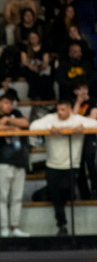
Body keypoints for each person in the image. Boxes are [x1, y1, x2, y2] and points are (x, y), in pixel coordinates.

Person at [29, 98, 97, 235]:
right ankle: (62, 224)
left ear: (70, 110)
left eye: (63, 110)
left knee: (67, 192)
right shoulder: (50, 119)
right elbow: (33, 126)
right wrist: (50, 128)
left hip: (72, 164)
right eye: (58, 109)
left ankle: (63, 221)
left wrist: (84, 128)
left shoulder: (78, 119)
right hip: (53, 164)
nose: (59, 113)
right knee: (56, 196)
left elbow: (95, 124)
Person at [0, 95, 31, 237]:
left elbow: (25, 123)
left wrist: (9, 120)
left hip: (19, 160)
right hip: (2, 161)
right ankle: (3, 227)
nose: (8, 106)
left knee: (17, 197)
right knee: (3, 198)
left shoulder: (15, 114)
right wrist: (11, 128)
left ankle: (14, 227)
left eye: (10, 103)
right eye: (5, 103)